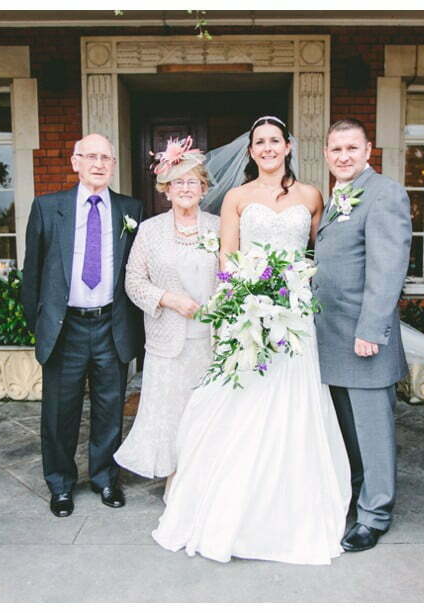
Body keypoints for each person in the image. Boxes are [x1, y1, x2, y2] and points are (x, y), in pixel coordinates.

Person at [151, 116, 351, 566]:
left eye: (274, 141)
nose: (267, 148)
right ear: (251, 150)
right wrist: (242, 304)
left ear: (288, 147)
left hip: (297, 318)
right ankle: (231, 506)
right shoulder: (237, 198)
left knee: (295, 404)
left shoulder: (311, 196)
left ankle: (291, 508)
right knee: (244, 404)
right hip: (250, 313)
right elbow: (227, 258)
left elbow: (319, 255)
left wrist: (299, 291)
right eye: (260, 142)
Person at [21, 134, 143, 517]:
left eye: (106, 157)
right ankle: (60, 483)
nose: (98, 164)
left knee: (110, 407)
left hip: (111, 324)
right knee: (60, 411)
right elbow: (32, 273)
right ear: (75, 162)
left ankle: (105, 478)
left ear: (113, 164)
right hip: (66, 326)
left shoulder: (131, 209)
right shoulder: (47, 207)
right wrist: (40, 325)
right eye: (91, 156)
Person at [313, 118, 412, 552]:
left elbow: (388, 268)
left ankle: (375, 515)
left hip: (362, 336)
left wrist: (371, 329)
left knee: (373, 433)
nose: (344, 156)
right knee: (349, 431)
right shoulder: (338, 195)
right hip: (332, 336)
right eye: (336, 149)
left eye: (352, 148)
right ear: (326, 154)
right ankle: (358, 497)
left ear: (368, 150)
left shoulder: (385, 193)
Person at [115, 137, 220, 496]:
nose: (186, 188)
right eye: (178, 182)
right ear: (166, 189)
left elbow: (232, 275)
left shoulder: (219, 227)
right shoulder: (150, 230)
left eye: (193, 181)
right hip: (166, 343)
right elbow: (133, 281)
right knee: (171, 413)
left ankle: (202, 480)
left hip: (210, 341)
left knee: (204, 413)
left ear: (203, 188)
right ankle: (174, 476)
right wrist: (169, 299)